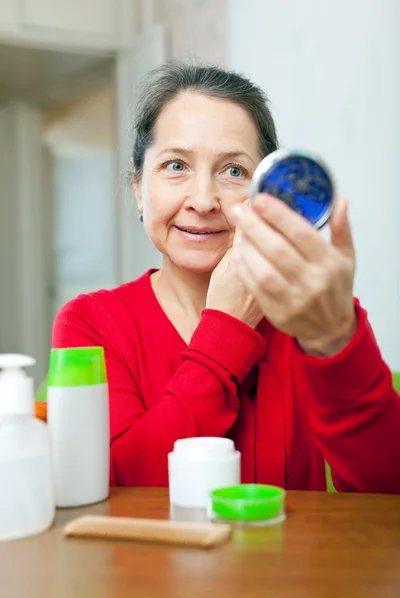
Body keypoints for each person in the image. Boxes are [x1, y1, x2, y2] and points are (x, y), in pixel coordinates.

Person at [52, 62, 400, 492]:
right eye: (176, 165)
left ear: (268, 194)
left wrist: (335, 340)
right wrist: (227, 331)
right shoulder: (91, 323)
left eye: (234, 171)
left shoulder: (312, 316)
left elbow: (388, 493)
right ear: (139, 185)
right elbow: (122, 493)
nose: (202, 200)